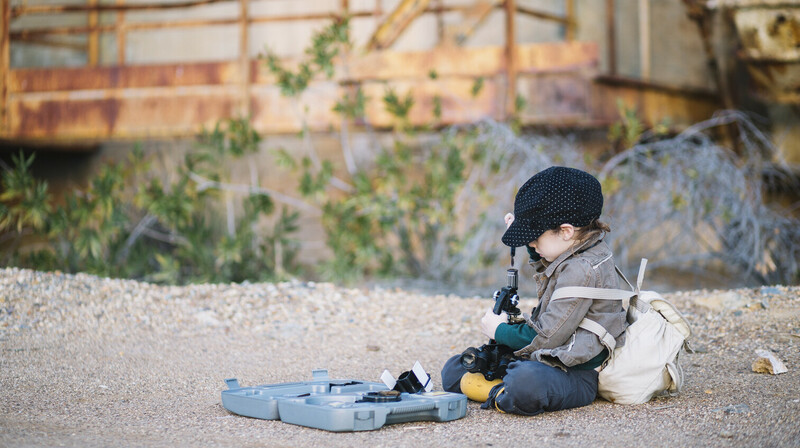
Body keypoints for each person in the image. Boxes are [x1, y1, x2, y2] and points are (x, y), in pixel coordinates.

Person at [441, 166, 627, 415]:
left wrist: (500, 330)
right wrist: (530, 239)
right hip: (546, 357)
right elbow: (547, 259)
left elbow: (547, 337)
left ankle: (501, 392)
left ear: (566, 231)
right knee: (455, 369)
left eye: (534, 237)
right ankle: (502, 389)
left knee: (525, 383)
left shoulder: (583, 269)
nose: (531, 243)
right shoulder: (574, 247)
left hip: (576, 372)